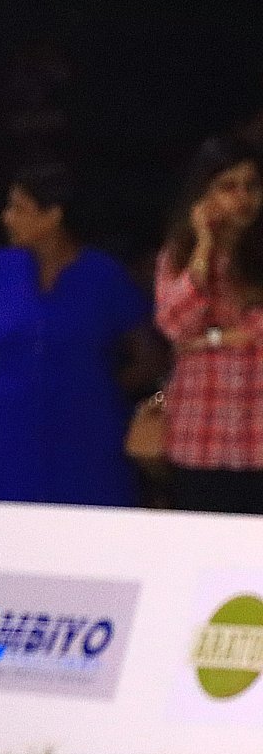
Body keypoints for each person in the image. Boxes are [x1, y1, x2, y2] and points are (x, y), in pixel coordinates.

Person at [0, 161, 157, 507]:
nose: (6, 217)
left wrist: (101, 389)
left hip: (88, 434)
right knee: (9, 520)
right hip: (10, 428)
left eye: (19, 208)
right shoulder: (0, 269)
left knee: (89, 522)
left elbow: (149, 356)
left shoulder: (103, 276)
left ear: (52, 216)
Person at [153, 137, 263, 514]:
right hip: (200, 436)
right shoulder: (179, 254)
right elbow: (174, 325)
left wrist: (213, 337)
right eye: (228, 187)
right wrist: (202, 246)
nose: (243, 198)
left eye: (251, 186)